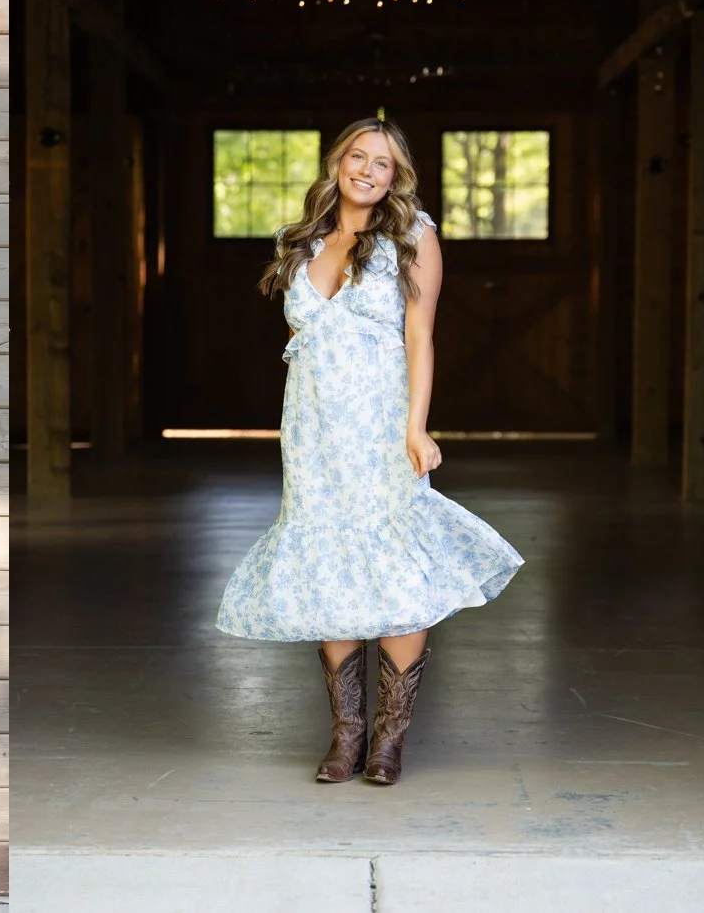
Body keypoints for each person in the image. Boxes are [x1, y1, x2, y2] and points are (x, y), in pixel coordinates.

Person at [215, 117, 524, 785]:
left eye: (381, 163)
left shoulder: (413, 237)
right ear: (337, 165)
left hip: (381, 425)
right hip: (312, 430)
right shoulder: (298, 242)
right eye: (357, 156)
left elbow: (420, 337)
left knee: (393, 564)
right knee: (326, 560)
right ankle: (345, 735)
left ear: (394, 178)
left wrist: (416, 427)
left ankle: (388, 740)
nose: (366, 170)